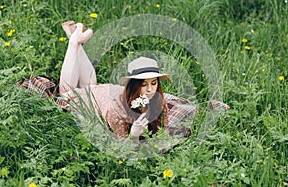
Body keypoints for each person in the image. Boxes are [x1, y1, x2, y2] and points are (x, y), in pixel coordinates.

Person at [59, 21, 229, 140]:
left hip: (99, 88)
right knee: (66, 92)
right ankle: (74, 42)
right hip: (88, 99)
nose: (150, 90)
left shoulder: (157, 101)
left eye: (153, 83)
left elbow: (166, 118)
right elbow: (123, 147)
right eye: (143, 84)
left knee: (91, 83)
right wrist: (134, 134)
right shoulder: (116, 111)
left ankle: (76, 38)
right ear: (133, 86)